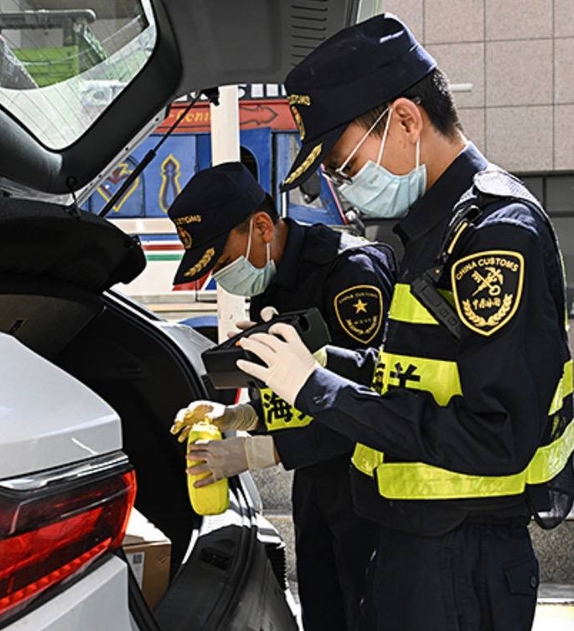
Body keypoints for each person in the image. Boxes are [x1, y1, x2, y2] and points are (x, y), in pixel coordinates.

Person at [231, 14, 574, 631]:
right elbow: (413, 375)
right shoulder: (434, 230)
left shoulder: (493, 233)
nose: (342, 186)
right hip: (415, 545)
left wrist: (319, 390)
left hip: (460, 560)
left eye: (344, 164)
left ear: (407, 120)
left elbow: (497, 435)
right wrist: (324, 363)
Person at [166, 162, 396, 631]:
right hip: (315, 485)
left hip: (369, 488)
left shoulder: (350, 273)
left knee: (369, 614)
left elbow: (371, 407)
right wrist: (240, 416)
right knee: (323, 613)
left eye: (222, 261)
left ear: (262, 227)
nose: (221, 277)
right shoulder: (271, 279)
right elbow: (299, 392)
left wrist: (259, 452)